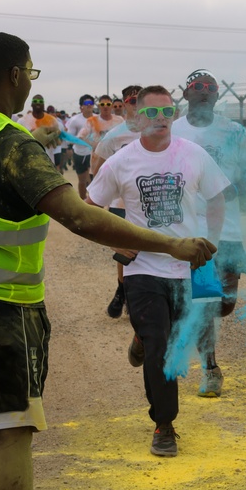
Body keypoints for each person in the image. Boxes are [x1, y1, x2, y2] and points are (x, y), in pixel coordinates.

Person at [0, 32, 216, 490]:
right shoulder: (14, 146)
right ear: (15, 75)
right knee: (14, 430)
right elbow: (80, 217)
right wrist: (172, 245)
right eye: (30, 73)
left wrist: (37, 139)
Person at [87, 85, 230, 458]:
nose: (161, 120)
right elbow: (90, 205)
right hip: (143, 269)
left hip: (186, 268)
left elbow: (216, 197)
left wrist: (211, 242)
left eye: (167, 112)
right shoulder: (122, 161)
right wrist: (114, 241)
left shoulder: (193, 154)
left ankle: (140, 339)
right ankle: (164, 424)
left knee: (176, 341)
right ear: (136, 119)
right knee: (161, 345)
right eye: (152, 113)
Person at [172, 69, 246, 397]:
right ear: (186, 94)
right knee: (206, 303)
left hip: (229, 229)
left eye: (211, 88)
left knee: (225, 304)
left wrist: (238, 189)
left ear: (218, 95)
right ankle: (210, 368)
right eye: (198, 87)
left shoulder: (234, 131)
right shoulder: (174, 131)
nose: (205, 92)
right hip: (190, 230)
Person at [94, 84, 144, 319]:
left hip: (149, 201)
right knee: (126, 252)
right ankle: (122, 290)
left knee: (148, 251)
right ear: (123, 105)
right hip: (120, 202)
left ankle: (137, 294)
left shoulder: (156, 130)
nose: (137, 105)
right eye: (133, 101)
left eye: (140, 100)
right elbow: (98, 166)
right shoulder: (114, 135)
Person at [64, 94, 101, 199]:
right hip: (79, 153)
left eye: (91, 103)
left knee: (93, 178)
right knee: (82, 180)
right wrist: (74, 143)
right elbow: (70, 138)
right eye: (86, 103)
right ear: (81, 107)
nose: (89, 105)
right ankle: (82, 200)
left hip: (94, 153)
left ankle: (93, 200)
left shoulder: (97, 119)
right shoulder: (75, 120)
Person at [17, 94, 65, 169]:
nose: (38, 103)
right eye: (35, 101)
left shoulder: (52, 120)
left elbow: (58, 140)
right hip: (29, 161)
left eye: (40, 101)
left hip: (48, 161)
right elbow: (18, 141)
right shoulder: (22, 121)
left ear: (44, 104)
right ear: (31, 104)